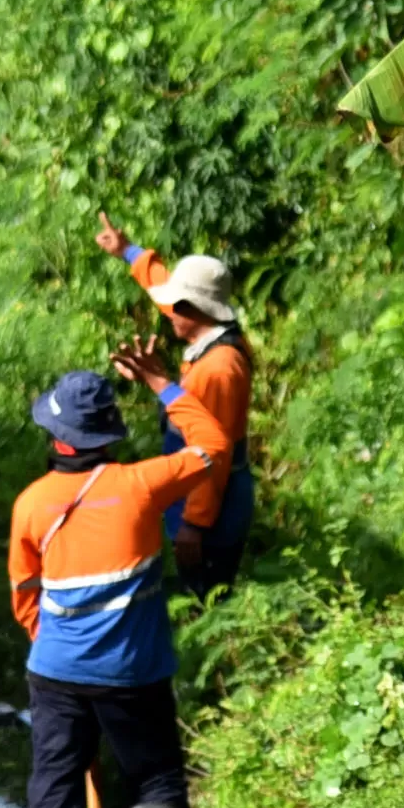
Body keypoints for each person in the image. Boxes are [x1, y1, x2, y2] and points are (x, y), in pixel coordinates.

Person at [7, 365, 228, 808]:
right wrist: (162, 385)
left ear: (58, 438)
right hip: (134, 673)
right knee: (153, 773)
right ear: (108, 433)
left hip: (56, 671)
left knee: (52, 776)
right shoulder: (143, 485)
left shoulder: (31, 503)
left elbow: (23, 591)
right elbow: (215, 443)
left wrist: (53, 643)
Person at [94, 219, 253, 589]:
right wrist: (127, 250)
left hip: (213, 498)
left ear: (194, 308)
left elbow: (213, 454)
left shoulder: (219, 369)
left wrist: (194, 526)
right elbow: (161, 284)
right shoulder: (207, 328)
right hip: (196, 485)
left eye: (174, 306)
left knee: (207, 592)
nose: (166, 311)